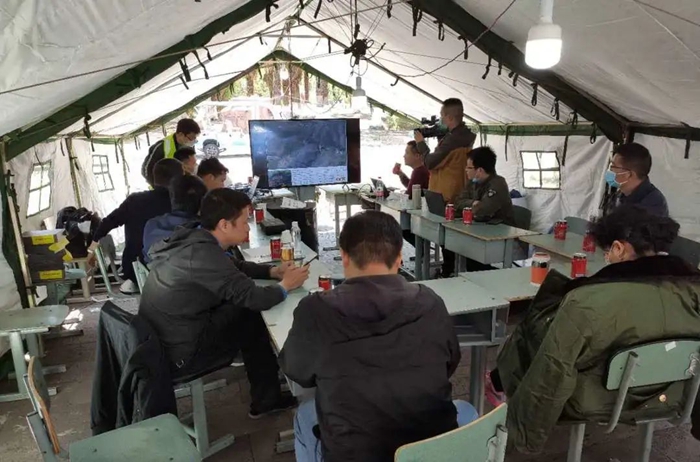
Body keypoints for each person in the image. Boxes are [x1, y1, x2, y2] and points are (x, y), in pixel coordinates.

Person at [492, 205, 700, 454]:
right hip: (674, 393)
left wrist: (525, 434)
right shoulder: (692, 290)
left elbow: (554, 369)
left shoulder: (588, 301)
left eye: (607, 252)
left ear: (618, 248)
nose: (606, 258)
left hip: (600, 399)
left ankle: (499, 389)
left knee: (536, 339)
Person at [280, 211, 478, 462]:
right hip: (429, 451)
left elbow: (296, 371)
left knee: (306, 414)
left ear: (343, 256)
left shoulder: (315, 311)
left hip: (356, 454)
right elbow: (450, 362)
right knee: (466, 409)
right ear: (399, 258)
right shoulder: (431, 302)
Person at [139, 188, 309, 418]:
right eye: (244, 221)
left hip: (167, 336)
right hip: (180, 354)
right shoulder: (203, 255)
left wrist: (272, 271)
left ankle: (267, 381)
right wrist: (286, 285)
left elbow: (231, 266)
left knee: (243, 313)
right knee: (251, 316)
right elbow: (255, 298)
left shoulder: (193, 237)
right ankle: (267, 398)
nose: (248, 227)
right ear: (224, 225)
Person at [89, 158, 184, 293]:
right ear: (180, 179)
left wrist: (91, 249)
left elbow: (107, 223)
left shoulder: (134, 201)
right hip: (176, 271)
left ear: (154, 178)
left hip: (135, 270)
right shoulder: (182, 203)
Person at [414, 98, 476, 277]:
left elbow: (430, 162)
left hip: (447, 192)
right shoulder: (466, 136)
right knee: (452, 236)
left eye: (442, 116)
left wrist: (421, 143)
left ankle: (449, 271)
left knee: (447, 237)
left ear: (449, 118)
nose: (440, 120)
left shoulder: (452, 140)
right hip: (459, 188)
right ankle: (452, 270)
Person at [142, 174, 207, 263]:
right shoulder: (202, 232)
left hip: (154, 271)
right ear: (202, 202)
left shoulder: (152, 225)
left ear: (172, 198)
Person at [603, 142, 668, 217]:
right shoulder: (622, 194)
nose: (609, 170)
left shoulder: (652, 205)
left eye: (613, 166)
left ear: (628, 174)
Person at [455, 146, 515, 225]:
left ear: (480, 170)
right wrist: (473, 203)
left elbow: (482, 212)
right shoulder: (473, 182)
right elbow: (457, 203)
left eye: (469, 167)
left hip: (499, 228)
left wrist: (470, 207)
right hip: (479, 226)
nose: (466, 170)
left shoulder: (498, 184)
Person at [141, 118, 200, 187]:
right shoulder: (161, 146)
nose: (193, 141)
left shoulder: (188, 146)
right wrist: (157, 188)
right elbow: (146, 170)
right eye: (191, 138)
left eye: (195, 139)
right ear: (180, 134)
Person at [392, 141, 430, 247]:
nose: (404, 156)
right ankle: (423, 250)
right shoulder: (420, 170)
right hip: (422, 210)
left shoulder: (419, 171)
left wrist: (391, 195)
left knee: (405, 230)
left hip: (422, 213)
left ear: (417, 156)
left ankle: (422, 250)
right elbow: (412, 187)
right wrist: (400, 174)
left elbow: (409, 194)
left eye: (407, 153)